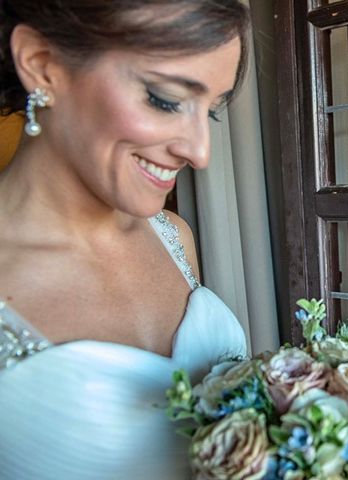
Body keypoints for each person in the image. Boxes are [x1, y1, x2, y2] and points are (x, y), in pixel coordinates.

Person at [0, 1, 250, 478]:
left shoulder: (175, 237)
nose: (200, 152)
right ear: (41, 64)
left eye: (211, 112)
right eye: (165, 99)